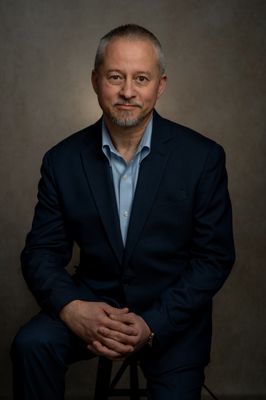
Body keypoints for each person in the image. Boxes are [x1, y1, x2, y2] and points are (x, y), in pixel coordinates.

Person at [11, 24, 235, 399]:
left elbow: (214, 257)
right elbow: (41, 254)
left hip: (171, 318)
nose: (128, 91)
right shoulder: (61, 161)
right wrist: (72, 308)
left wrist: (152, 323)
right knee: (32, 345)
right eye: (116, 76)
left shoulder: (203, 158)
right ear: (96, 81)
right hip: (92, 307)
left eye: (141, 78)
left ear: (160, 85)